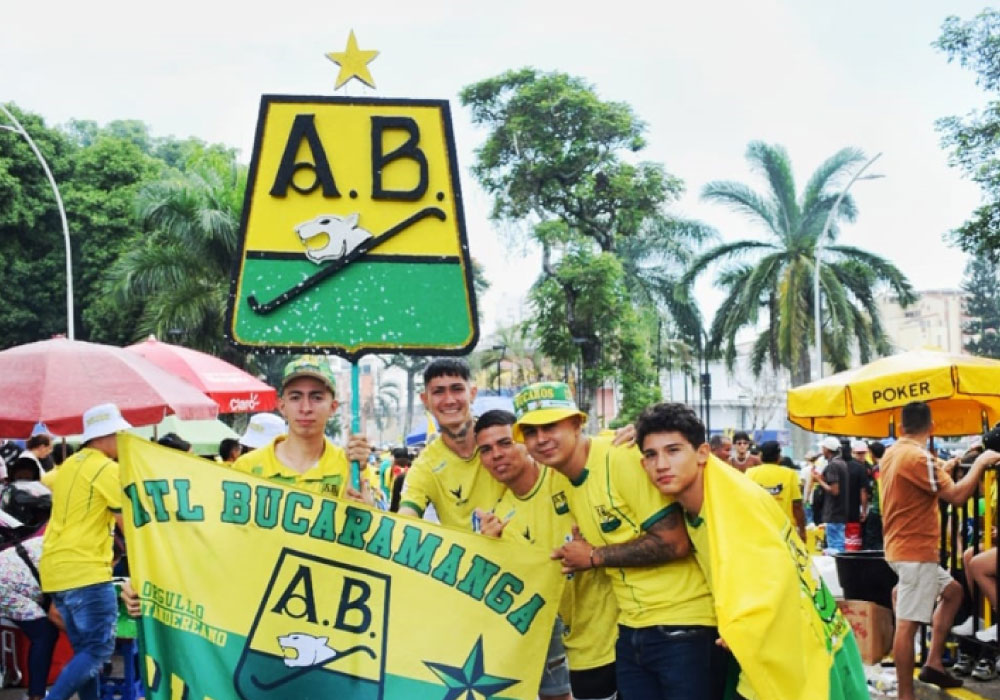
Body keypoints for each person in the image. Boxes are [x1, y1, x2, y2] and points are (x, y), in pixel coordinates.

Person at [633, 402, 868, 700]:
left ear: (702, 453)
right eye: (650, 455)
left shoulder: (734, 502)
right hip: (796, 638)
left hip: (796, 646)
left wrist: (746, 626)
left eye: (673, 450)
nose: (661, 464)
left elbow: (777, 574)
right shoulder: (711, 494)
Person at [513, 382, 721, 700]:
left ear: (576, 423)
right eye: (530, 432)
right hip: (631, 629)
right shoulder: (558, 479)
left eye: (550, 426)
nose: (541, 439)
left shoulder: (622, 458)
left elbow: (674, 542)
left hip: (683, 625)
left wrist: (595, 556)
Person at [474, 410, 618, 700]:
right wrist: (489, 550)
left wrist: (632, 434)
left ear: (523, 444)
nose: (497, 455)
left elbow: (602, 447)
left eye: (505, 443)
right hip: (570, 642)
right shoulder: (500, 518)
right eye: (486, 450)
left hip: (618, 631)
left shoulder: (562, 473)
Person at [881, 400, 1000, 699]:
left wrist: (946, 468)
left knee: (953, 592)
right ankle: (905, 694)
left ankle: (933, 663)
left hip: (900, 547)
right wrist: (983, 463)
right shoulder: (919, 458)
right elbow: (958, 496)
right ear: (931, 427)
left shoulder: (894, 452)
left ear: (901, 425)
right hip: (914, 551)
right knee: (907, 626)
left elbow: (927, 483)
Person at [39, 402, 130, 700]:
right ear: (105, 435)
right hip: (86, 572)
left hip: (55, 571)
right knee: (98, 650)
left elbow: (43, 483)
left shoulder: (66, 467)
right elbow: (128, 524)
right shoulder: (106, 468)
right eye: (119, 433)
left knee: (86, 653)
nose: (122, 440)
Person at [232, 357, 372, 502]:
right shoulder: (247, 467)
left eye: (317, 398)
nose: (305, 408)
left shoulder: (353, 467)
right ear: (282, 406)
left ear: (333, 407)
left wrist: (366, 508)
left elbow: (372, 519)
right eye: (295, 397)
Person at [397, 359, 506, 529]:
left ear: (473, 393)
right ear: (425, 400)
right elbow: (406, 518)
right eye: (438, 392)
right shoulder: (425, 466)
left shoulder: (505, 438)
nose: (449, 400)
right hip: (469, 555)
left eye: (457, 389)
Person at [0, 534, 60, 700]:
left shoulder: (58, 537)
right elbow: (55, 615)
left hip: (10, 578)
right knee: (45, 634)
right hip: (7, 586)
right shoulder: (73, 556)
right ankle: (36, 696)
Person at [746, 441, 806, 540]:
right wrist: (802, 531)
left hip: (759, 527)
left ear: (761, 456)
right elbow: (797, 505)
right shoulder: (790, 474)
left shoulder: (750, 473)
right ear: (779, 456)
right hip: (784, 530)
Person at [812, 436, 848, 553]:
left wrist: (819, 480)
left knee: (835, 546)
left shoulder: (833, 465)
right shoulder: (842, 463)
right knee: (839, 543)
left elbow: (834, 490)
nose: (822, 451)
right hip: (841, 510)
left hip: (834, 512)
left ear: (827, 450)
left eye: (823, 448)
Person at [862, 441, 885, 550]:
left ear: (872, 453)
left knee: (872, 539)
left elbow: (880, 488)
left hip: (878, 509)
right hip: (884, 509)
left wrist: (882, 510)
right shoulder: (886, 465)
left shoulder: (878, 468)